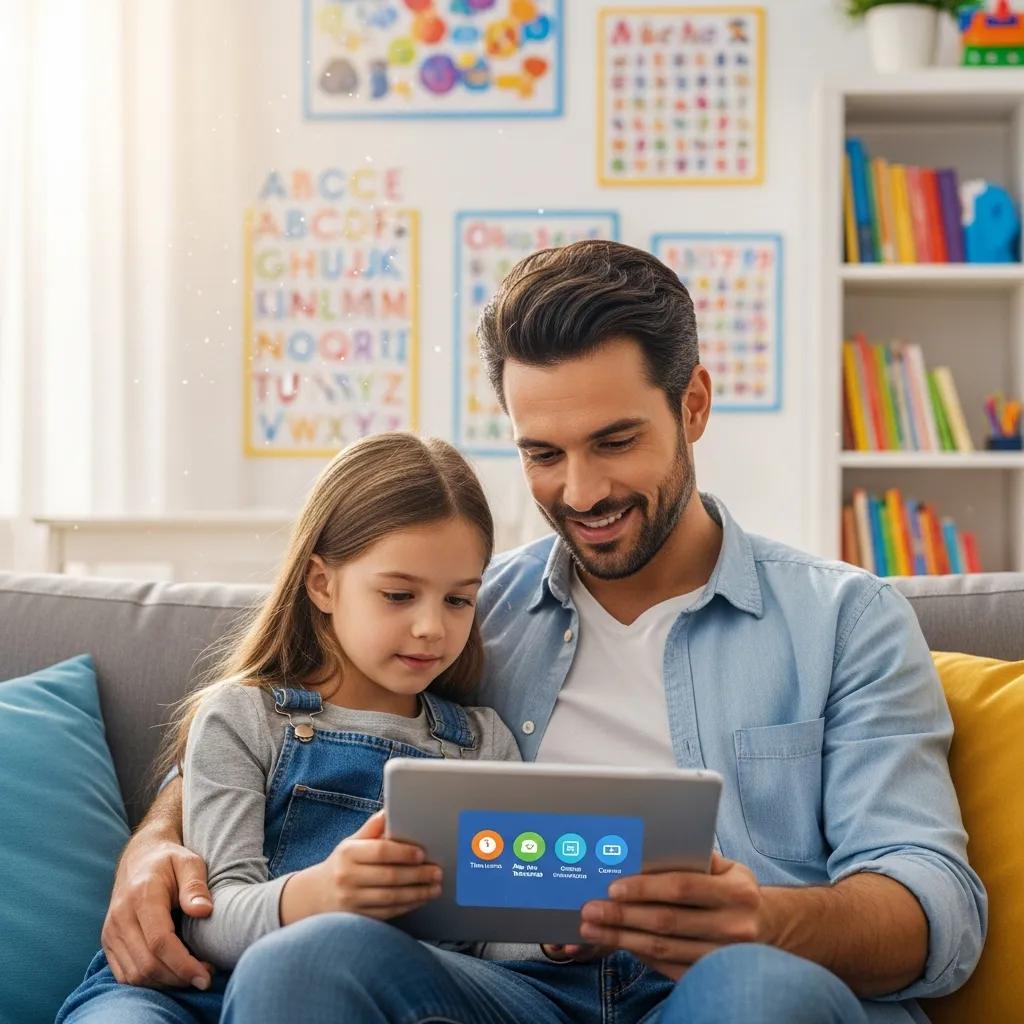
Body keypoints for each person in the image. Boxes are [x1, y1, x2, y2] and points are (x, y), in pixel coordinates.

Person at [89, 241, 985, 1024]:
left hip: (735, 982)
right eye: (543, 454)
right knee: (306, 959)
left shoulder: (844, 619)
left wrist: (769, 920)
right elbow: (290, 715)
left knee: (758, 992)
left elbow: (935, 905)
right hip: (521, 992)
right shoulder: (472, 606)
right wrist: (157, 841)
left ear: (695, 406)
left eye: (616, 441)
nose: (583, 492)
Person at [57, 433, 523, 1023]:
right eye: (399, 595)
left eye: (459, 600)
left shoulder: (482, 745)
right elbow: (210, 920)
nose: (432, 626)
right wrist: (323, 893)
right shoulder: (243, 717)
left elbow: (495, 935)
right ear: (322, 583)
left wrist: (559, 936)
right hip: (179, 992)